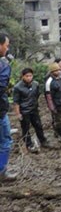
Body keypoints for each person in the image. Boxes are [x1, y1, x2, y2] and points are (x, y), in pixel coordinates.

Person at [13, 68, 51, 152]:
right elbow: (16, 102)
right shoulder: (18, 87)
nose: (29, 78)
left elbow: (37, 95)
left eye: (30, 76)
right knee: (26, 128)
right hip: (24, 111)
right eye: (27, 76)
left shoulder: (35, 84)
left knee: (38, 125)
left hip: (34, 109)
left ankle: (43, 141)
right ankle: (29, 145)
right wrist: (18, 113)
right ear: (23, 76)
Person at [0, 33, 15, 182]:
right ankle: (2, 172)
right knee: (5, 141)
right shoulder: (2, 65)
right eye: (6, 45)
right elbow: (1, 86)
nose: (7, 48)